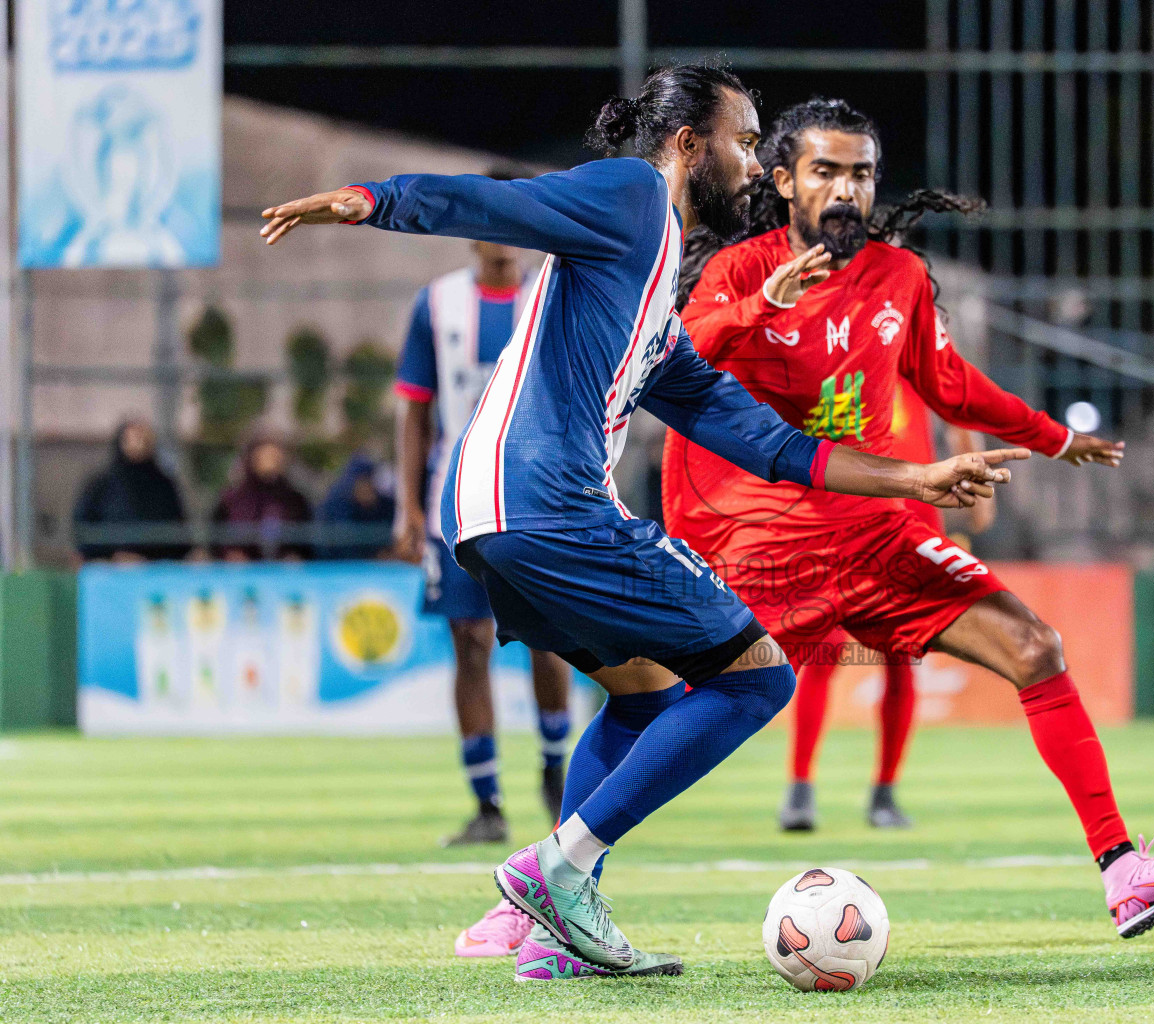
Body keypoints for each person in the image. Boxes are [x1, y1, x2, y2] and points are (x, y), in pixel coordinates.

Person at [260, 61, 1019, 980]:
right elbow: (494, 203)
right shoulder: (630, 196)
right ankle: (558, 872)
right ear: (688, 145)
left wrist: (919, 476)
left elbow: (767, 441)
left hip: (491, 509)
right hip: (544, 503)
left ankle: (555, 930)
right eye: (744, 142)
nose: (754, 163)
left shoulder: (653, 289)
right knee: (756, 679)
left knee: (649, 696)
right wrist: (370, 198)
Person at [665, 97, 1154, 939]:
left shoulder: (897, 276)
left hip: (876, 532)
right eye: (826, 171)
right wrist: (759, 307)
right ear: (783, 182)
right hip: (762, 545)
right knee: (659, 705)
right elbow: (674, 359)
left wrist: (1050, 438)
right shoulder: (742, 272)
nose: (847, 189)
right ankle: (554, 880)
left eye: (861, 172)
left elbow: (949, 382)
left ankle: (1124, 871)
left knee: (1036, 647)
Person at [390, 211, 575, 856]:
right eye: (489, 218)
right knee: (469, 644)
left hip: (537, 502)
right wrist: (407, 505)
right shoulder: (436, 304)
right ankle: (487, 803)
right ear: (473, 231)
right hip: (454, 499)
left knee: (549, 640)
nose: (500, 232)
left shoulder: (555, 294)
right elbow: (414, 410)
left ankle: (556, 773)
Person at [780, 381, 996, 831]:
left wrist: (974, 474)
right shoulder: (843, 341)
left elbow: (957, 410)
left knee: (901, 656)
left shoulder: (912, 348)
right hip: (840, 515)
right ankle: (800, 789)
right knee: (824, 649)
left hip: (909, 516)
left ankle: (883, 792)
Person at [73, 418, 189, 563]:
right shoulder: (102, 484)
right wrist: (111, 555)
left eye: (143, 438)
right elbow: (83, 527)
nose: (139, 443)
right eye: (133, 438)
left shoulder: (164, 485)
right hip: (109, 570)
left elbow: (178, 529)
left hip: (158, 571)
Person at [213, 435, 312, 561]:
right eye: (265, 457)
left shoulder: (295, 500)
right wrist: (229, 555)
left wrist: (294, 557)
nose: (270, 464)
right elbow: (215, 537)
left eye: (275, 458)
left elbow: (306, 542)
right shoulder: (231, 500)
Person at [317, 453, 395, 559]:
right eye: (362, 481)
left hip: (377, 568)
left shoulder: (385, 504)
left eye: (368, 480)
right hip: (339, 567)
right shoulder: (336, 506)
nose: (366, 486)